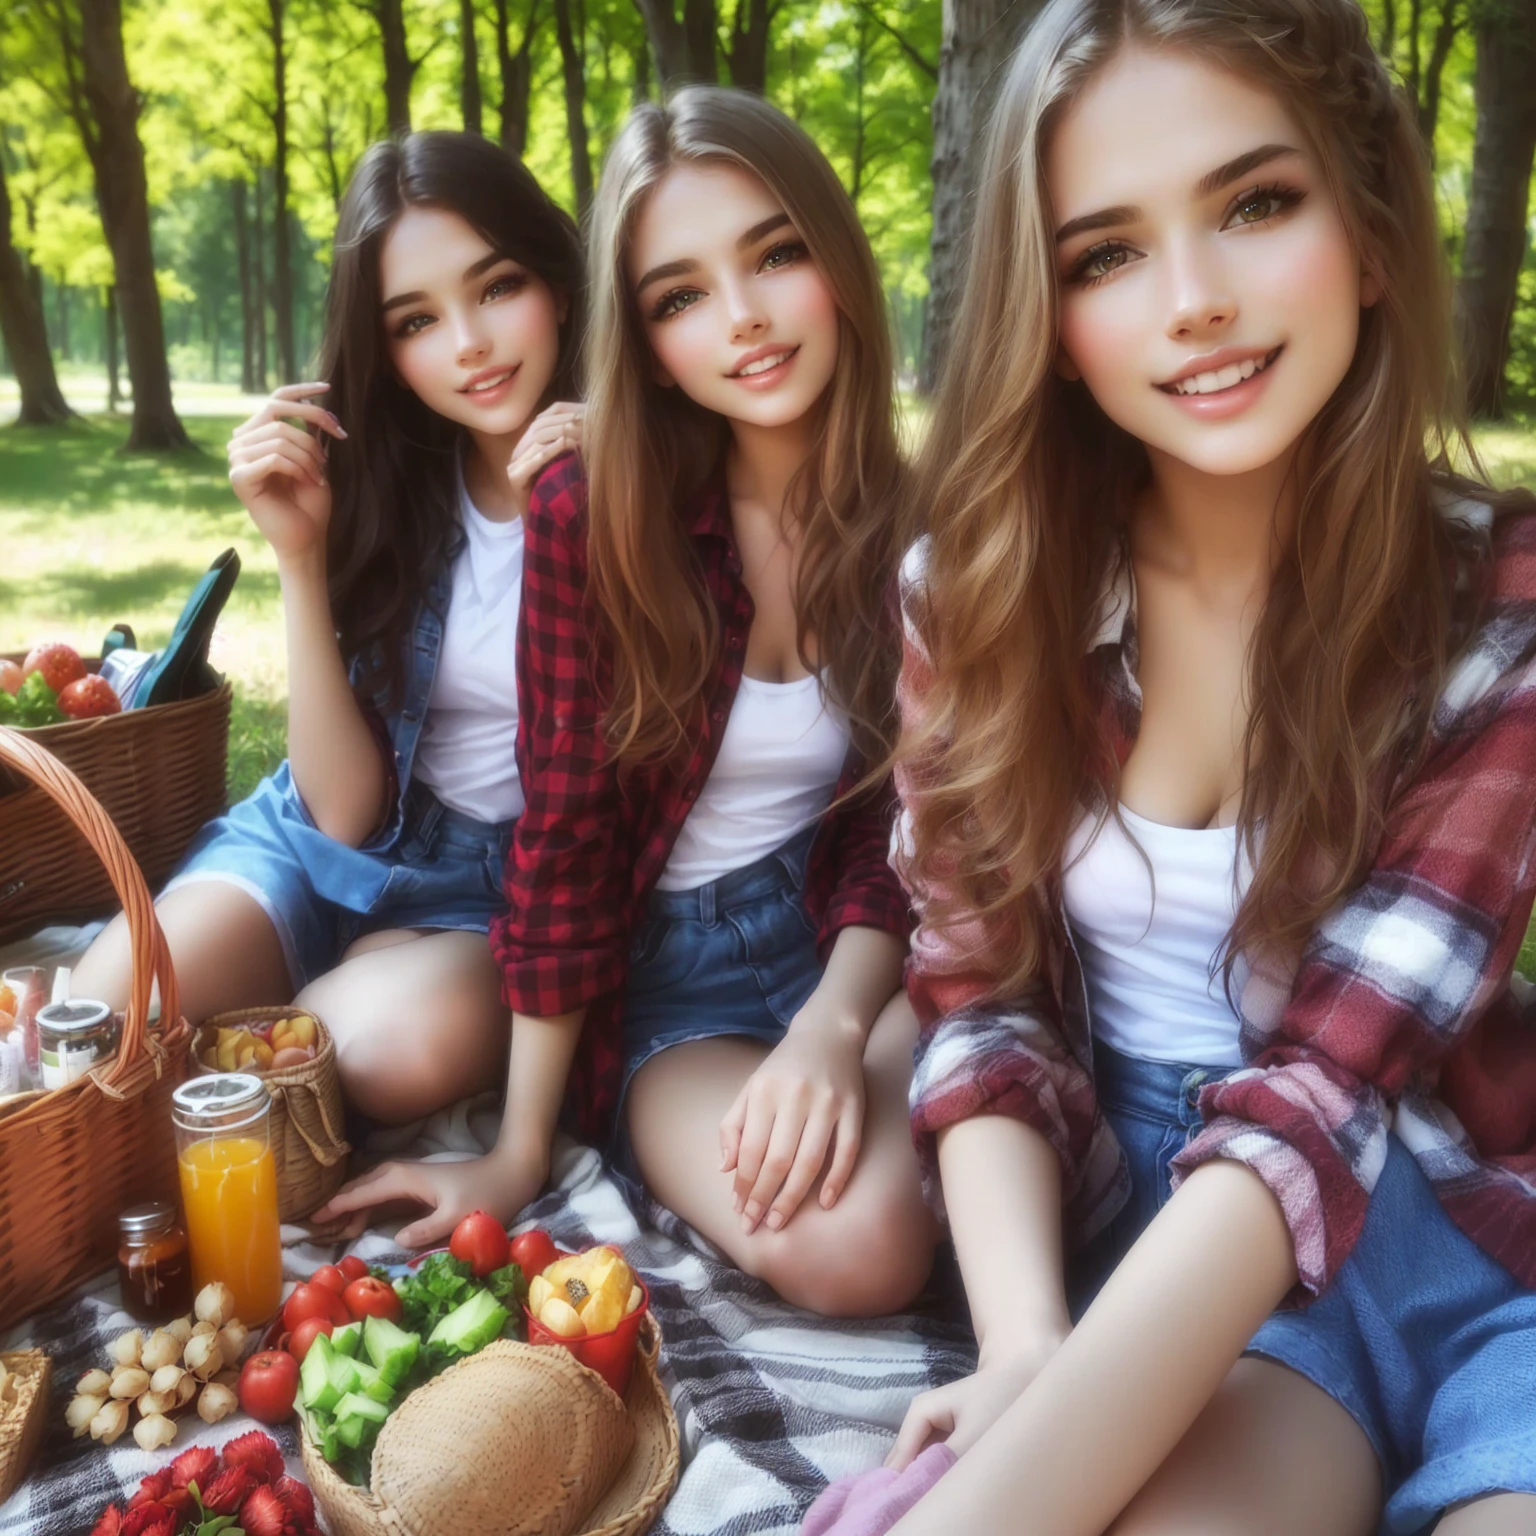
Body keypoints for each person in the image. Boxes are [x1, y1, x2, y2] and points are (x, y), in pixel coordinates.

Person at [872, 0, 1536, 1529]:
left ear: (1369, 235)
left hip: (1475, 1240)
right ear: (1048, 315)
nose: (1193, 300)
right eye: (1106, 253)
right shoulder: (973, 605)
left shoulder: (1499, 605)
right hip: (1199, 1256)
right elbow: (980, 999)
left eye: (1256, 204)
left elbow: (1332, 1078)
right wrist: (1029, 1342)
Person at [319, 88, 938, 1318]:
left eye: (777, 254)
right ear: (644, 337)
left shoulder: (922, 522)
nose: (745, 320)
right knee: (859, 1245)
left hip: (861, 945)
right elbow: (567, 841)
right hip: (673, 984)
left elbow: (901, 819)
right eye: (680, 296)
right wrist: (519, 1146)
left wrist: (835, 1021)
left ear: (841, 258)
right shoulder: (589, 511)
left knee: (957, 1151)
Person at [73, 132, 586, 1126]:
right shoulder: (395, 491)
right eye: (416, 320)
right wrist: (300, 557)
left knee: (350, 1056)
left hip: (496, 889)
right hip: (327, 835)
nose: (468, 343)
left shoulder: (634, 482)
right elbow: (340, 811)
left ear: (558, 285)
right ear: (385, 351)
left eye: (497, 287)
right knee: (103, 1017)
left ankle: (361, 975)